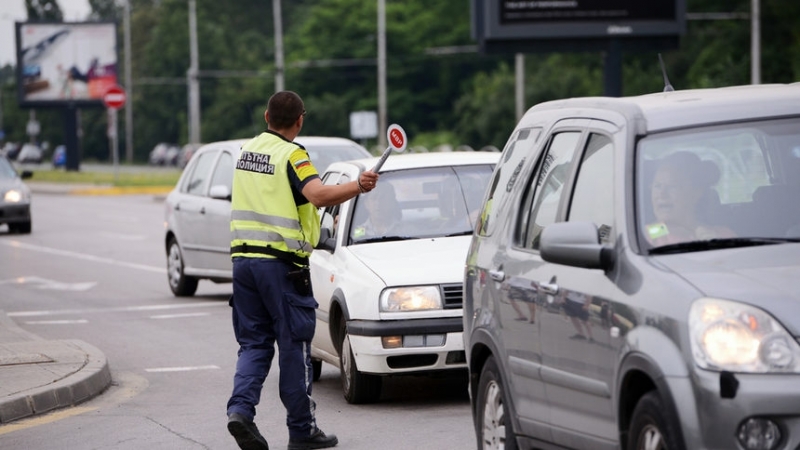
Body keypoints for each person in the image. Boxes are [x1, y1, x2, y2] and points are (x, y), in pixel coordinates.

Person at [226, 90, 379, 450]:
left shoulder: (247, 152)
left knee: (253, 343)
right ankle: (301, 430)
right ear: (300, 120)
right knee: (294, 346)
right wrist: (358, 185)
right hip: (280, 267)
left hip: (243, 263)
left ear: (266, 117)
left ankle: (240, 411)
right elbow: (318, 195)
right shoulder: (293, 155)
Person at [645, 151, 736, 245]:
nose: (662, 194)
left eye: (672, 186)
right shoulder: (645, 237)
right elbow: (651, 232)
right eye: (657, 186)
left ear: (695, 193)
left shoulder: (723, 235)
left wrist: (716, 245)